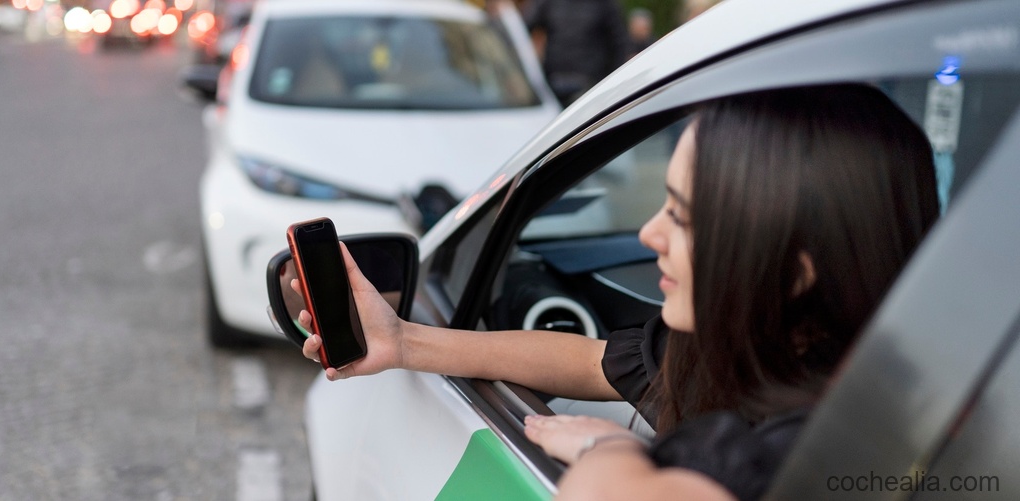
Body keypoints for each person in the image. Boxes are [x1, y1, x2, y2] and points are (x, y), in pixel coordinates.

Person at [295, 84, 939, 500]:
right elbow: (591, 361)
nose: (649, 232)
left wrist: (610, 450)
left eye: (684, 218)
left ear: (797, 272)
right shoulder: (773, 348)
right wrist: (403, 340)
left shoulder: (821, 450)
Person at [523, 0, 628, 107]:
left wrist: (609, 84)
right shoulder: (548, 3)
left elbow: (620, 43)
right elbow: (522, 28)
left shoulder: (605, 4)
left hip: (591, 87)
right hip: (553, 85)